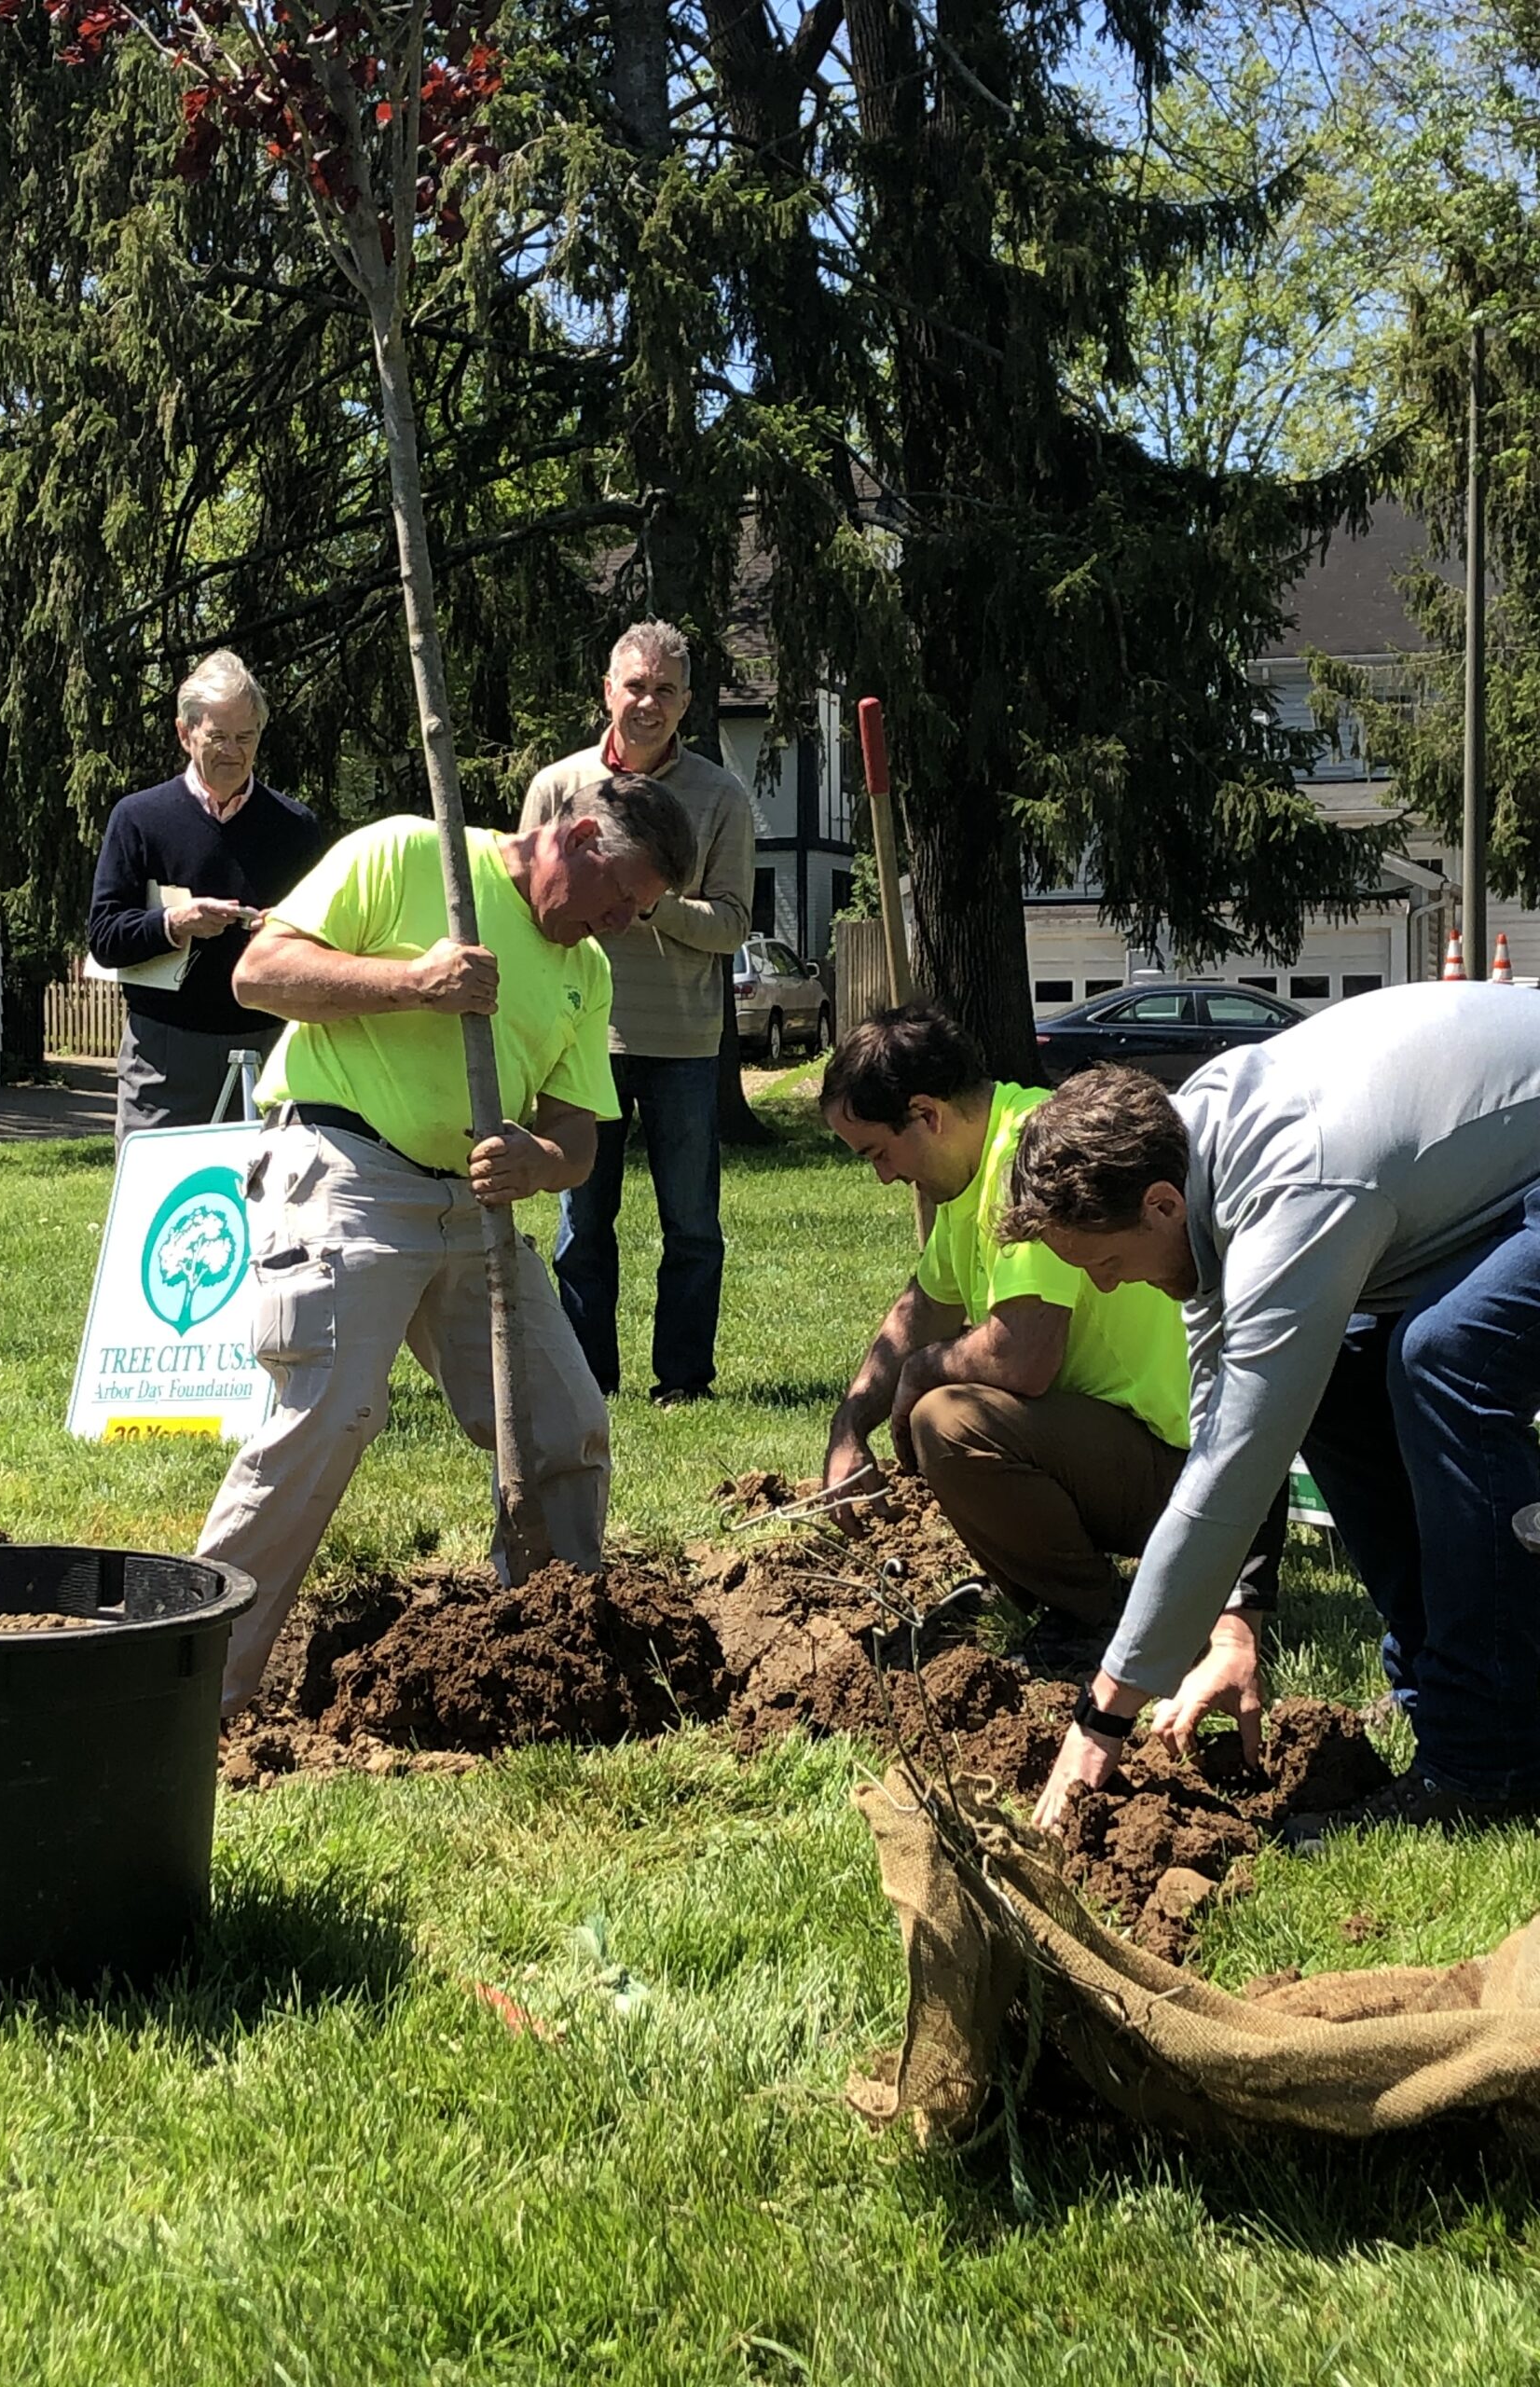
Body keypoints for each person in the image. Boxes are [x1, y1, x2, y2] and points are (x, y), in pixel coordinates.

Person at [196, 774, 696, 1717]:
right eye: (621, 898)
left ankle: (548, 1662)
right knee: (329, 1414)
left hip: (475, 1209)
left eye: (640, 911)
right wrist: (410, 982)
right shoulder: (412, 855)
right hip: (345, 1166)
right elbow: (257, 973)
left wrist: (536, 1158)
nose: (621, 923)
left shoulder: (584, 973)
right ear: (579, 836)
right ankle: (191, 1681)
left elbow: (578, 1139)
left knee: (565, 1420)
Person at [1005, 981, 1540, 1836]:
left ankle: (1491, 1760)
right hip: (1502, 1161)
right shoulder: (1191, 1151)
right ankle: (1449, 1695)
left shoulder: (1293, 1189)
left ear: (1159, 1206)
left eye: (1104, 1262)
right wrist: (1234, 1625)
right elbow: (1228, 1417)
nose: (1104, 1285)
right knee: (1343, 1371)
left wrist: (1104, 1712)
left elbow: (1237, 1461)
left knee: (1447, 1360)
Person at [819, 1004, 1285, 1673]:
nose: (884, 1177)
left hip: (1191, 1466)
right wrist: (848, 1427)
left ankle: (1095, 1619)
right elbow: (915, 1316)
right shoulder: (974, 1171)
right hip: (1141, 1454)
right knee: (942, 1407)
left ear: (927, 1115)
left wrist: (924, 1371)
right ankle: (1093, 1603)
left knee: (949, 1422)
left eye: (878, 1153)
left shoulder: (1031, 1159)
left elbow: (1022, 1356)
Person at [518, 621, 754, 1405]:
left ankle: (683, 1381)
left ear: (686, 702)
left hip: (684, 1040)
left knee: (692, 1224)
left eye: (665, 690)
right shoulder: (559, 786)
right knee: (582, 1224)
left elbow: (730, 925)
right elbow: (528, 904)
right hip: (580, 1034)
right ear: (607, 691)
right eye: (635, 686)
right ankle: (588, 1380)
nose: (647, 703)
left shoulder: (722, 797)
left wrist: (648, 904)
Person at [89, 650, 323, 1147]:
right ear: (184, 733)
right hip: (165, 1052)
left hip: (273, 1045)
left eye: (246, 737)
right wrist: (176, 922)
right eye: (218, 737)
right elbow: (105, 937)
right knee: (158, 1202)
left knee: (269, 1204)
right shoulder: (139, 818)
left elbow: (328, 940)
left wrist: (285, 929)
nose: (233, 752)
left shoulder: (296, 828)